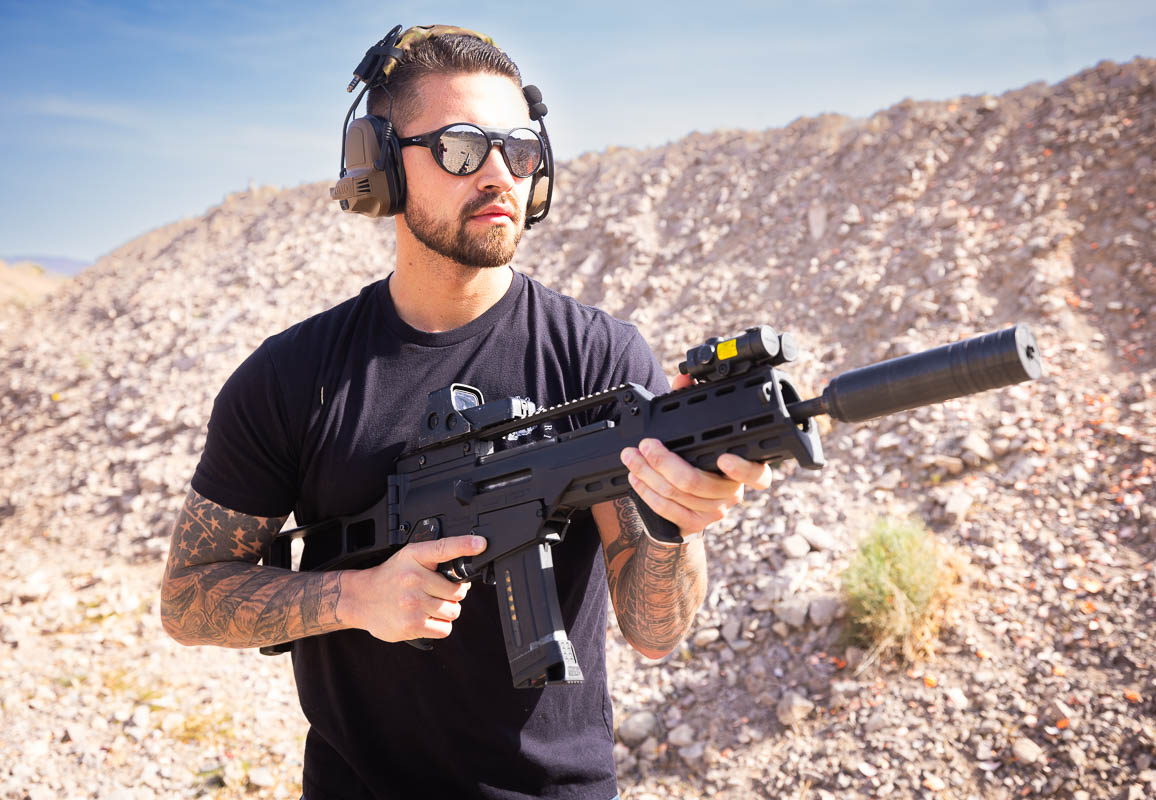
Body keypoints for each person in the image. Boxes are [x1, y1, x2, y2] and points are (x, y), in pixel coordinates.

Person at [160, 26, 772, 800]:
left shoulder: (601, 358)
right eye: (458, 147)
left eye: (518, 150)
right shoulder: (292, 377)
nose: (498, 173)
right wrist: (357, 598)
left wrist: (671, 524)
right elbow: (187, 598)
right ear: (380, 169)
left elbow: (655, 632)